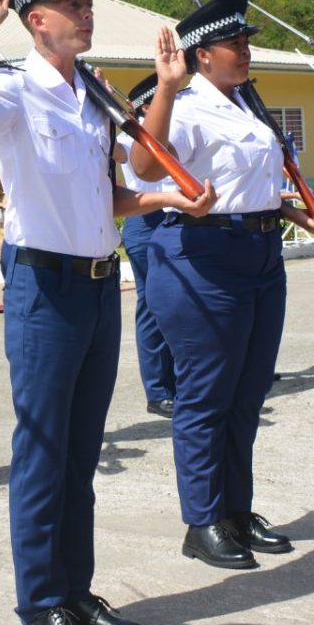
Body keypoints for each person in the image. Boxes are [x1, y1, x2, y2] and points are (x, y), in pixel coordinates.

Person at [0, 0, 214, 625]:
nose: (88, 11)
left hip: (96, 282)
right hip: (44, 287)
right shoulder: (13, 86)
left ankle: (76, 590)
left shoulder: (92, 92)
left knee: (81, 451)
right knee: (43, 449)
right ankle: (40, 603)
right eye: (75, 5)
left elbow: (120, 187)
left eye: (89, 3)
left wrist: (166, 187)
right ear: (38, 19)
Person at [135, 0, 314, 570]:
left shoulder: (247, 105)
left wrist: (290, 212)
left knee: (247, 392)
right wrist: (165, 88)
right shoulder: (184, 105)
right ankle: (203, 519)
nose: (245, 52)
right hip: (203, 256)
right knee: (206, 394)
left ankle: (237, 510)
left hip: (261, 250)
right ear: (203, 56)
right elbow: (146, 165)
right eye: (233, 44)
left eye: (246, 43)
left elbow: (250, 183)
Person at [118, 72, 177, 419]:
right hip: (145, 219)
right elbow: (118, 154)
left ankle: (178, 382)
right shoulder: (133, 133)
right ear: (144, 105)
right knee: (153, 306)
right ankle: (157, 390)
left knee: (176, 305)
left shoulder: (169, 128)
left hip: (172, 216)